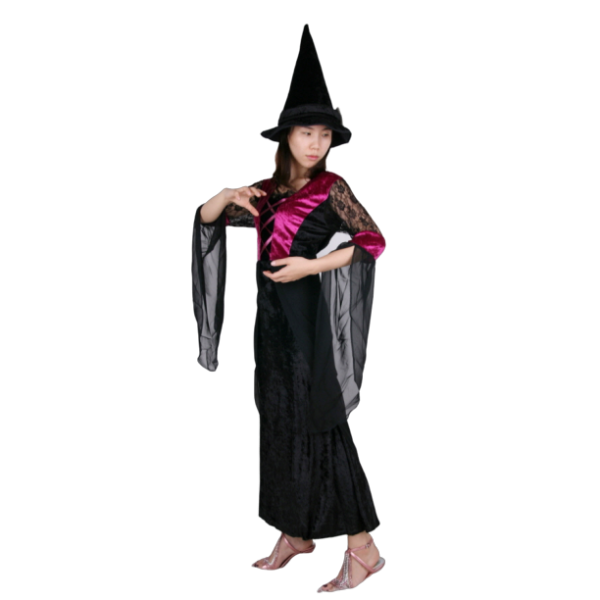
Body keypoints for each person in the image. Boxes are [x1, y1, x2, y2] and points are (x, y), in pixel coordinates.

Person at [191, 24, 387, 593]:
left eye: (324, 135)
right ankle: (294, 532)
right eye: (307, 133)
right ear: (286, 137)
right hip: (269, 330)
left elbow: (374, 241)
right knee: (276, 424)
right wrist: (226, 195)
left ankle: (363, 547)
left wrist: (311, 267)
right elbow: (207, 220)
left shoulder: (332, 187)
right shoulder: (265, 191)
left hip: (307, 328)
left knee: (322, 427)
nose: (316, 144)